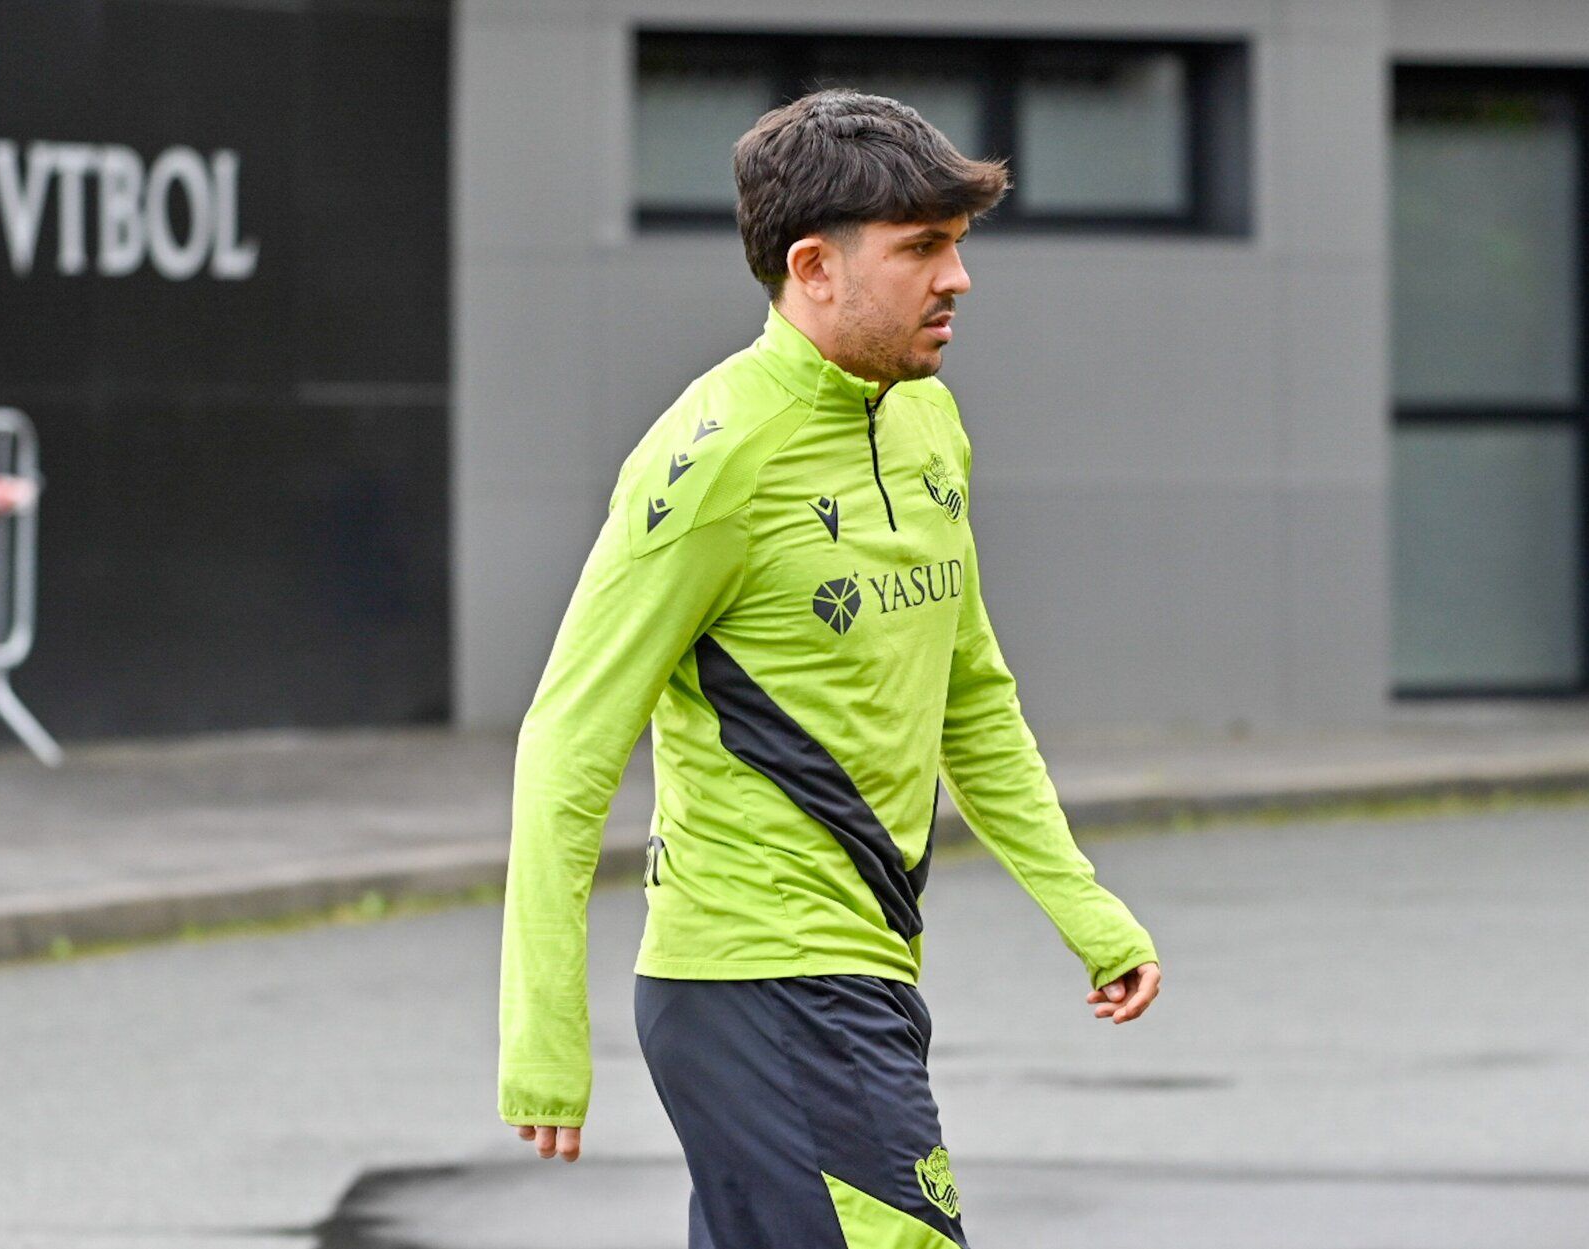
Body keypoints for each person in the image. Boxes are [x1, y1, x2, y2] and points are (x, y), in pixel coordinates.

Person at [498, 87, 1162, 1248]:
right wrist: (543, 1031)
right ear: (813, 266)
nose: (958, 280)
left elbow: (973, 700)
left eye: (956, 247)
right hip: (756, 979)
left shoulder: (928, 423)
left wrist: (1087, 909)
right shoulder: (711, 461)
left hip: (868, 967)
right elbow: (568, 735)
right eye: (921, 250)